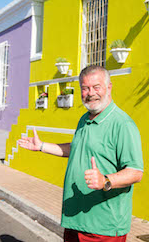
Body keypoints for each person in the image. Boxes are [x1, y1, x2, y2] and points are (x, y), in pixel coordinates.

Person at [18, 65, 143, 241]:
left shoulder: (122, 124)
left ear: (109, 87)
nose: (90, 93)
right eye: (85, 88)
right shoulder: (85, 119)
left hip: (103, 227)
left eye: (96, 87)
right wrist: (42, 146)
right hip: (75, 220)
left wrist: (105, 181)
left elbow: (136, 172)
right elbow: (77, 147)